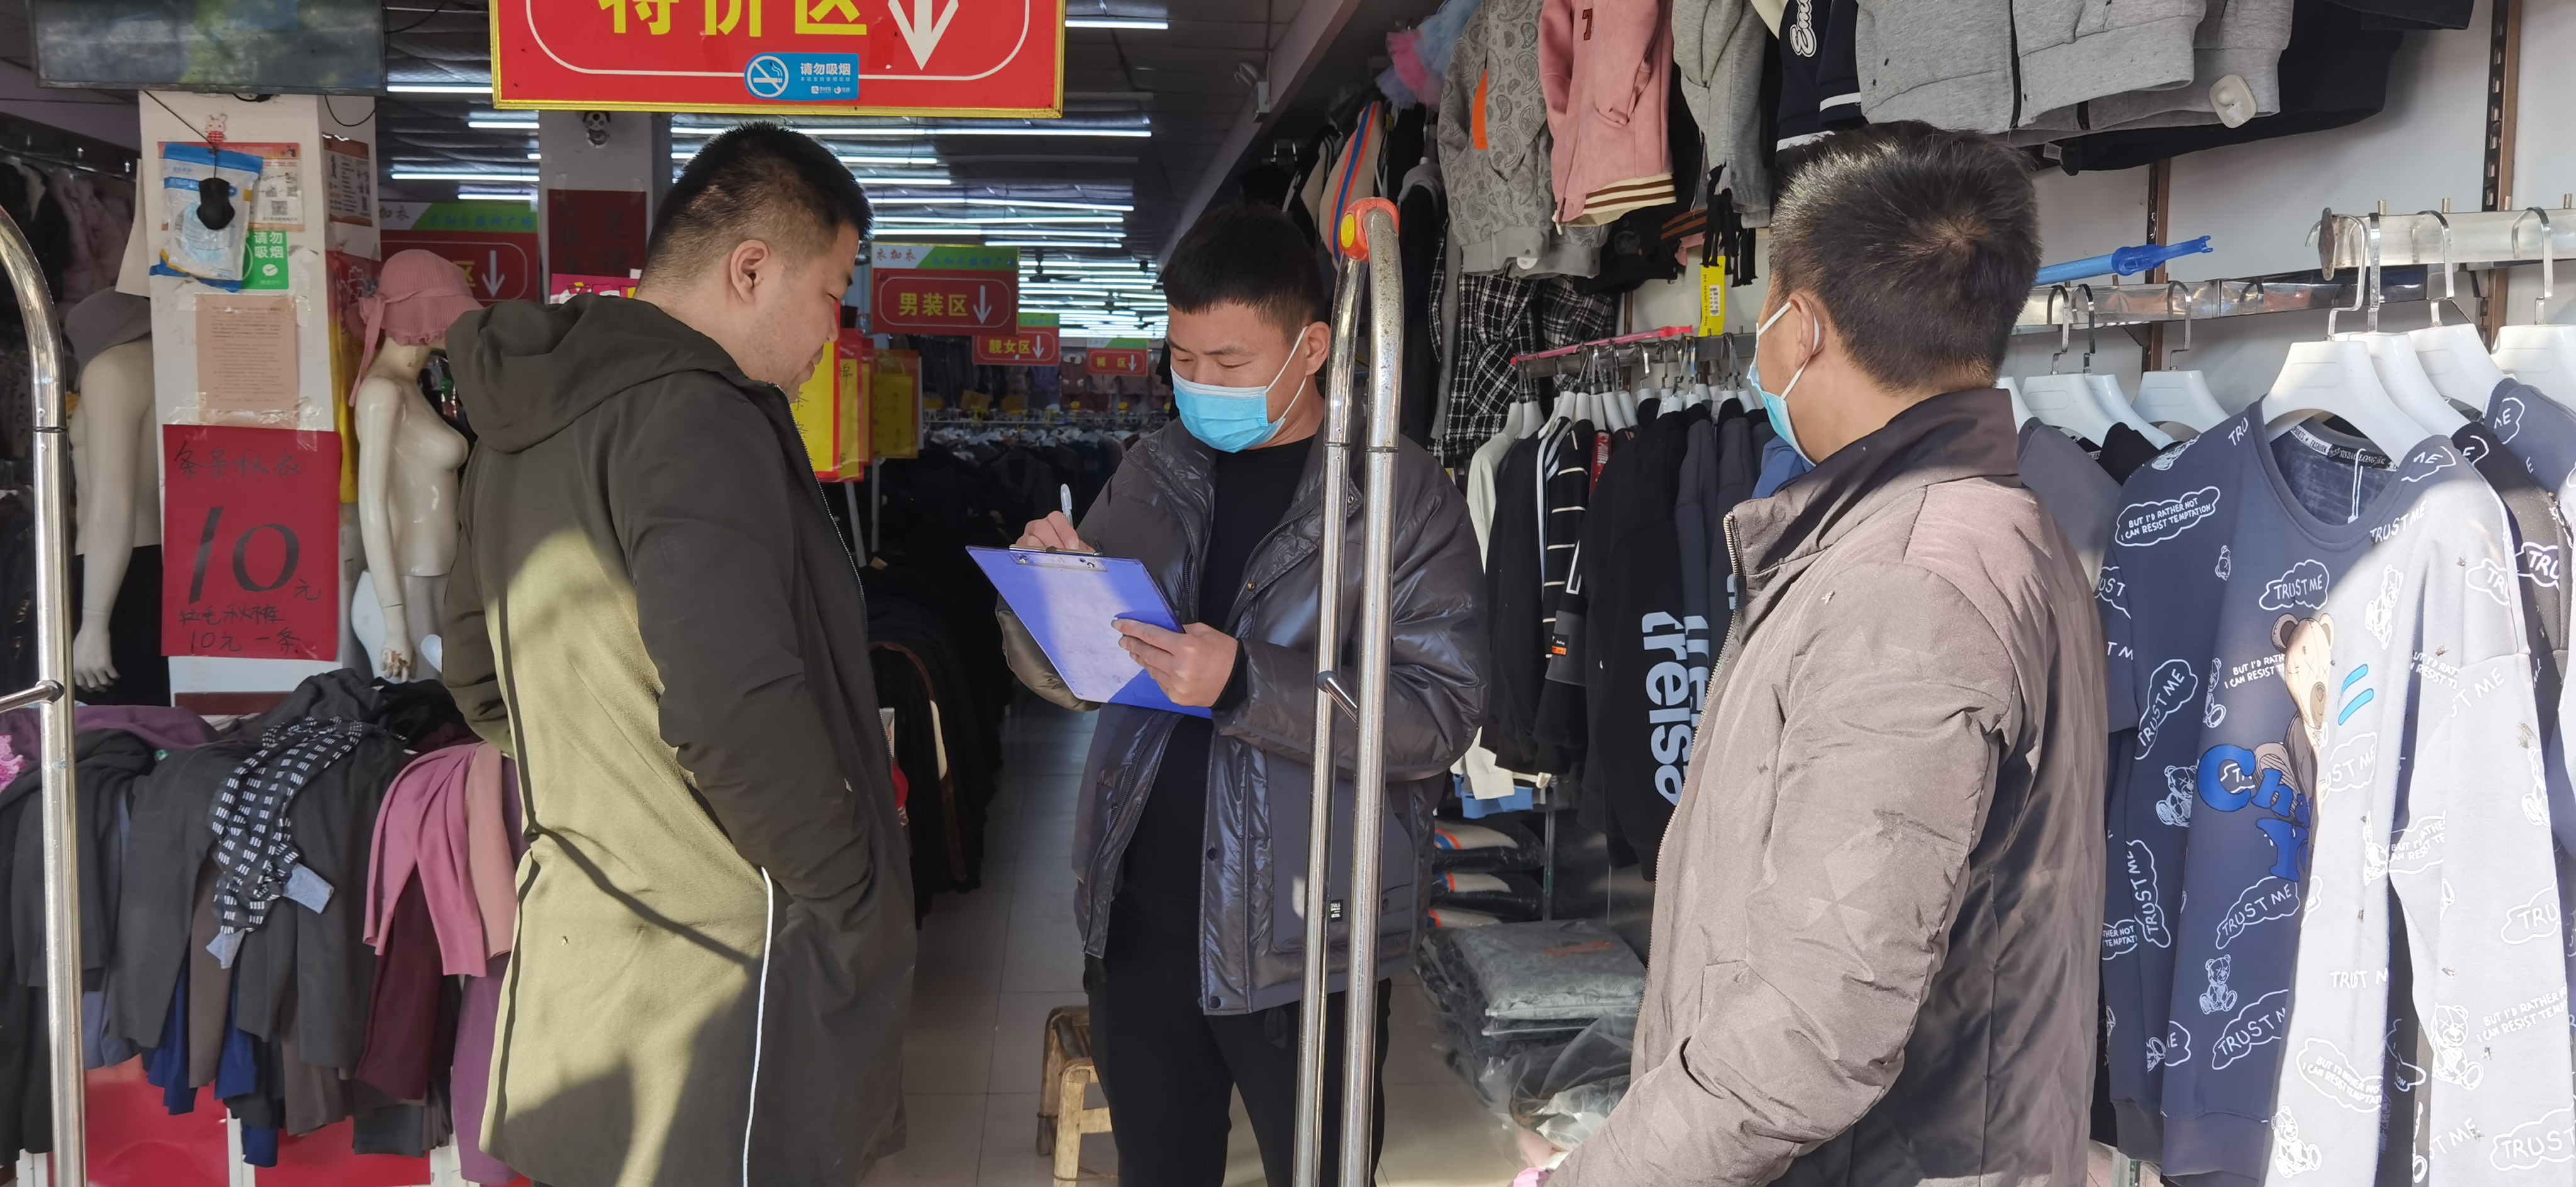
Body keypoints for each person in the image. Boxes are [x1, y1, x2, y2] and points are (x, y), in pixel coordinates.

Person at [1541, 123, 2107, 1186]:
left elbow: (1812, 1029)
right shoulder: (1997, 523)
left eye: (1766, 307)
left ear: (1798, 328)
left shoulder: (1905, 586)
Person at [441, 124, 911, 1187]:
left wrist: (615, 781)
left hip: (585, 938)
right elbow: (735, 709)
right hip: (718, 972)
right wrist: (849, 884)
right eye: (832, 295)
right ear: (751, 269)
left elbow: (476, 671)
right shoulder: (700, 417)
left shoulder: (520, 420)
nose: (832, 333)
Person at [1003, 202, 1487, 1187]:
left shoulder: (1398, 497)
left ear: (1311, 348)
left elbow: (1439, 713)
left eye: (1229, 362)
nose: (1200, 384)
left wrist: (1245, 684)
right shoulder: (1153, 470)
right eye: (1183, 359)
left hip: (1304, 936)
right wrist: (1044, 599)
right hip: (1139, 919)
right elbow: (1079, 677)